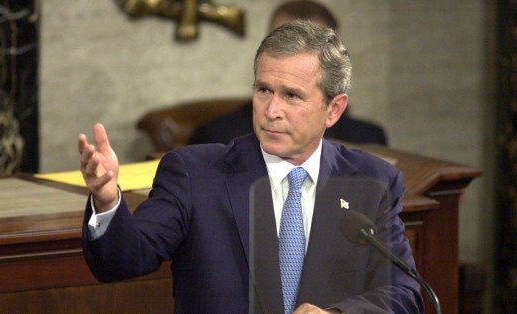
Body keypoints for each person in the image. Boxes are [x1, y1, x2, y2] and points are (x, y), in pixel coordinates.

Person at [78, 21, 422, 313]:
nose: (271, 109)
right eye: (263, 90)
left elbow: (404, 294)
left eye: (292, 96)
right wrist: (107, 201)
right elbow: (122, 261)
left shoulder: (371, 180)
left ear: (334, 109)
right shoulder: (193, 173)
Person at [189, 0, 387, 146]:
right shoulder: (216, 137)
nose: (294, 54)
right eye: (282, 41)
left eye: (313, 45)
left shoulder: (367, 140)